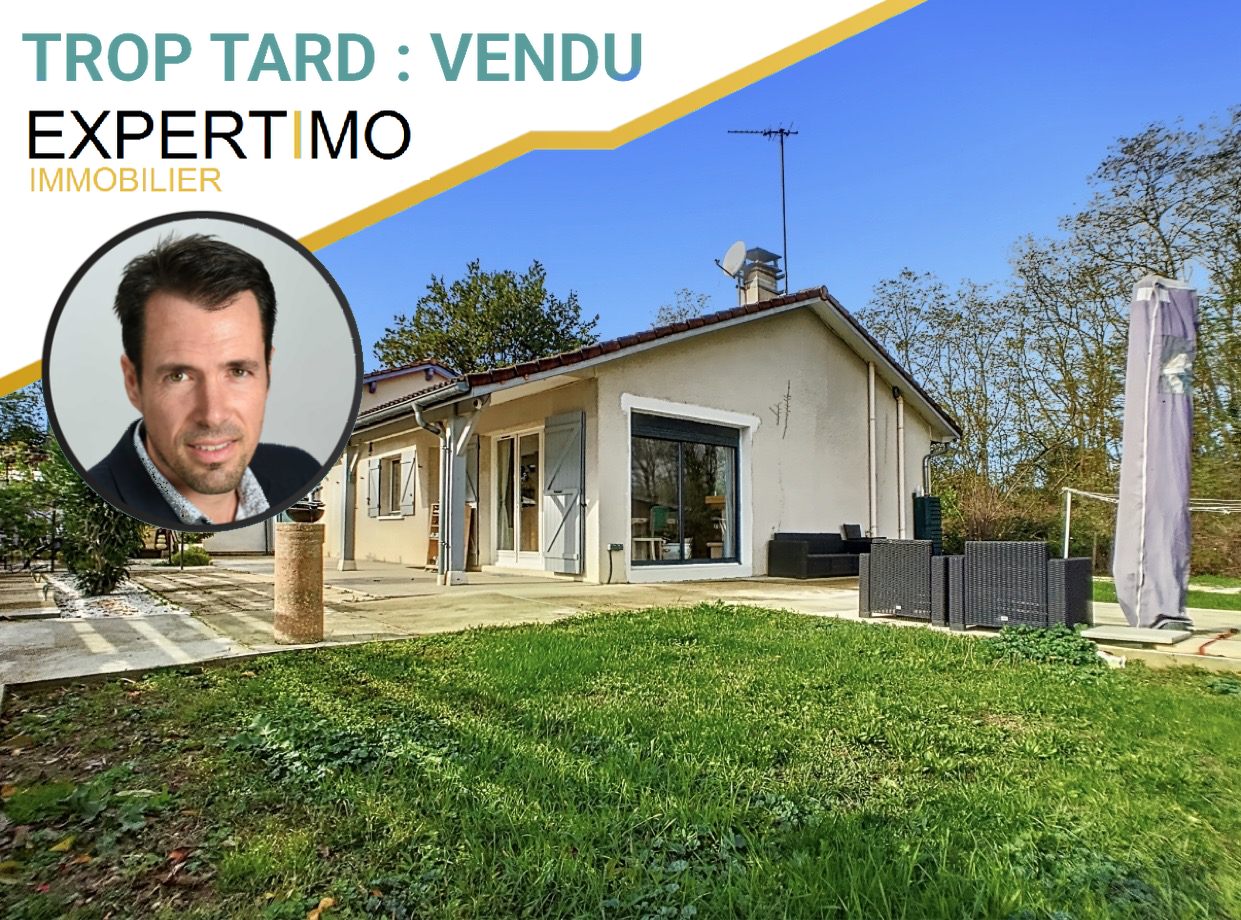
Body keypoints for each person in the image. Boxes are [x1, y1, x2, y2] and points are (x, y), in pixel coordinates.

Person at [88, 234, 320, 526]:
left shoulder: (299, 472)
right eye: (178, 376)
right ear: (133, 383)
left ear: (267, 373)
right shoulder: (97, 501)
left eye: (238, 371)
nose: (213, 415)